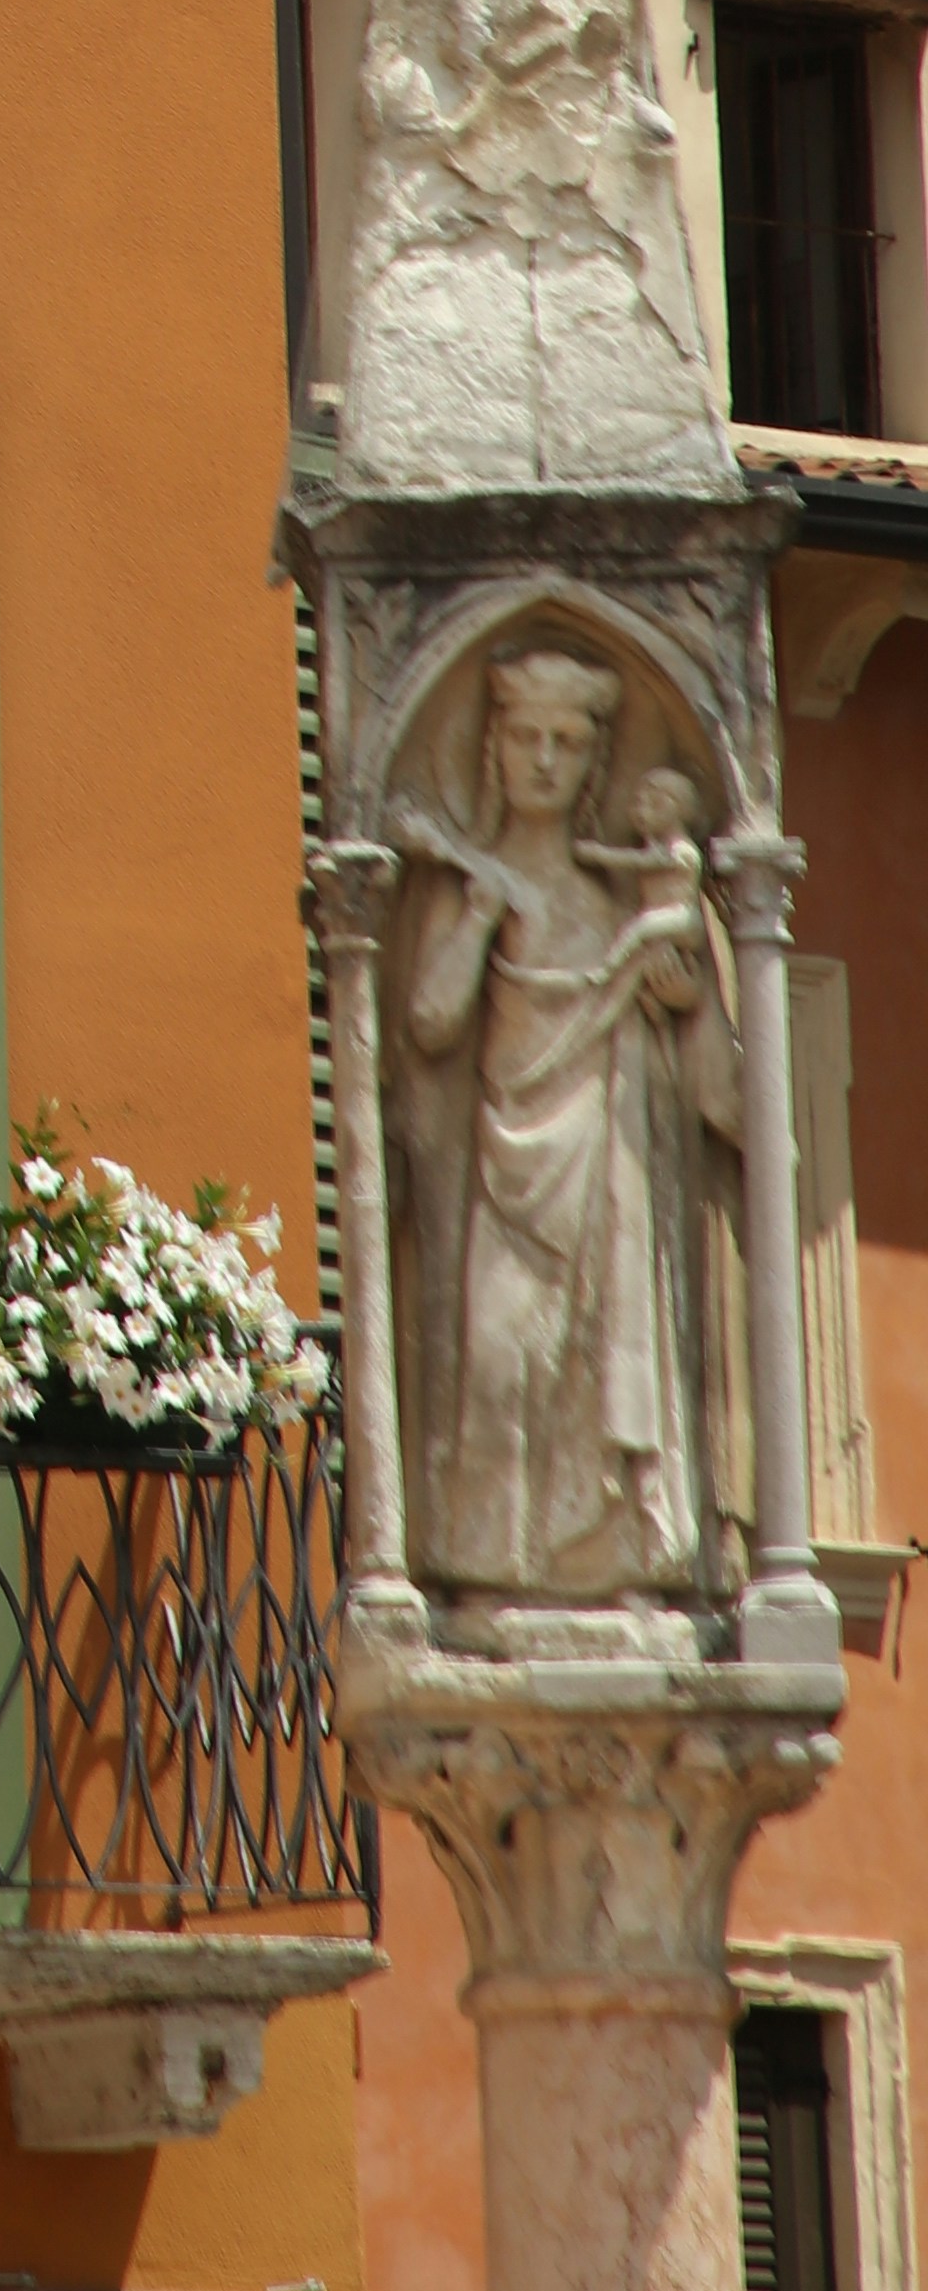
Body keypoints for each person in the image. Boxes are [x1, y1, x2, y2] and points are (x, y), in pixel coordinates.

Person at [389, 644, 729, 1604]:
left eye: (569, 743)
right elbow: (428, 1020)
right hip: (509, 1161)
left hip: (608, 1157)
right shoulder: (479, 883)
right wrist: (476, 916)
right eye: (527, 737)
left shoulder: (602, 896)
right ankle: (496, 1569)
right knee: (499, 1356)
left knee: (594, 1361)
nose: (545, 759)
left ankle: (609, 1566)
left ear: (591, 763)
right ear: (493, 746)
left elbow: (678, 1019)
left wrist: (671, 991)